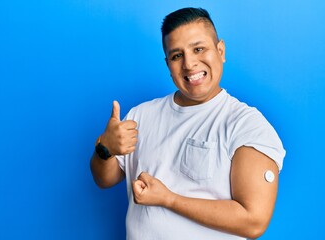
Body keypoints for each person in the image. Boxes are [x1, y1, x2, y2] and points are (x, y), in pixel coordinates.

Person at [90, 7, 286, 240]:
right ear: (168, 65)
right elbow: (104, 179)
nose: (189, 63)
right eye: (177, 55)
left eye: (199, 49)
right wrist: (105, 149)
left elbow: (253, 221)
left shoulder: (246, 125)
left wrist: (168, 199)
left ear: (220, 50)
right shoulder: (140, 115)